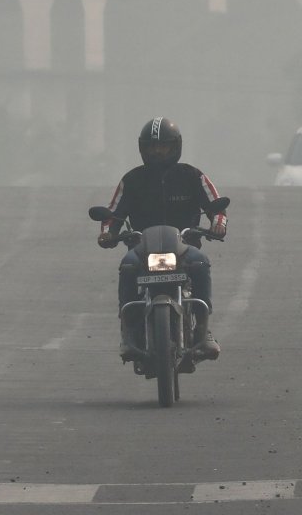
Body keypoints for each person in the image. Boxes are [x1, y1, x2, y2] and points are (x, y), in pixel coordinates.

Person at [97, 117, 227, 361]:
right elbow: (113, 213)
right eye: (152, 146)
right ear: (142, 148)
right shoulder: (132, 180)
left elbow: (216, 207)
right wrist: (108, 233)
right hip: (141, 250)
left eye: (163, 146)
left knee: (200, 264)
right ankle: (130, 332)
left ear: (175, 146)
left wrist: (218, 226)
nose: (157, 151)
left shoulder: (192, 176)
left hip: (185, 248)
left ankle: (203, 328)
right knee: (127, 267)